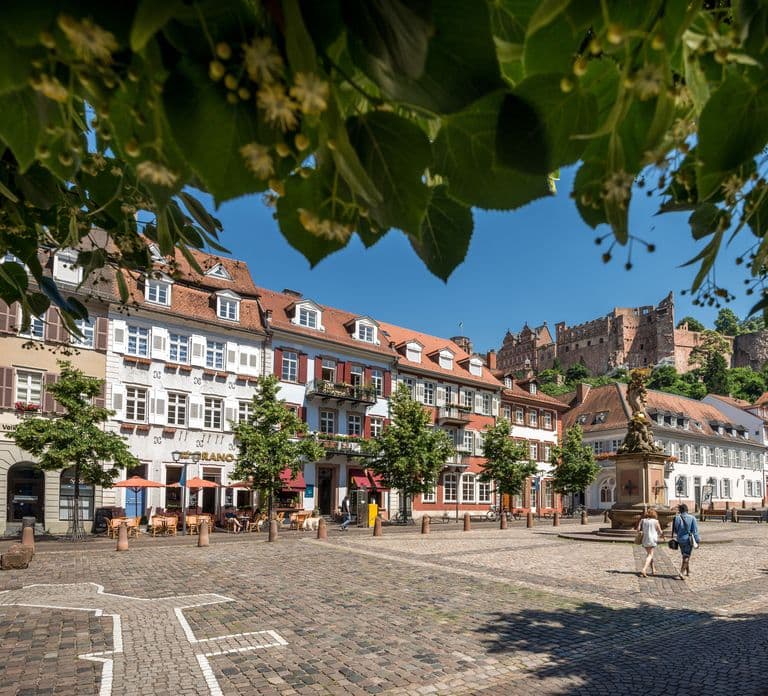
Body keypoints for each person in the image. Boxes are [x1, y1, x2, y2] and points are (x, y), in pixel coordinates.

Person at [672, 503, 700, 580]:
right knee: (686, 556)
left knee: (684, 555)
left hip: (680, 539)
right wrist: (697, 540)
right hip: (688, 540)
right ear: (687, 510)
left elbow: (675, 530)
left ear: (680, 510)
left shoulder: (676, 518)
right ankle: (681, 573)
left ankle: (688, 571)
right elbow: (695, 531)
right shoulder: (692, 518)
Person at [635, 508, 665, 577]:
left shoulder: (642, 520)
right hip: (652, 539)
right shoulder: (656, 521)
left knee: (649, 554)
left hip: (645, 539)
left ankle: (653, 569)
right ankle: (644, 569)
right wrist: (663, 537)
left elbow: (638, 529)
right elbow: (660, 531)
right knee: (650, 555)